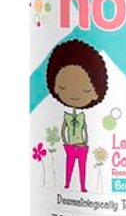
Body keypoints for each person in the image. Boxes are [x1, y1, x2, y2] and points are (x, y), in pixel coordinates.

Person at [45, 39, 108, 192]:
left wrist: (85, 142)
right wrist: (66, 142)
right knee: (69, 165)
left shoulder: (83, 117)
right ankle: (67, 184)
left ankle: (82, 186)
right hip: (70, 146)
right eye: (63, 87)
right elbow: (63, 130)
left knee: (82, 167)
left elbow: (85, 129)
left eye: (86, 90)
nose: (74, 94)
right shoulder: (67, 116)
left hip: (82, 146)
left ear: (95, 93)